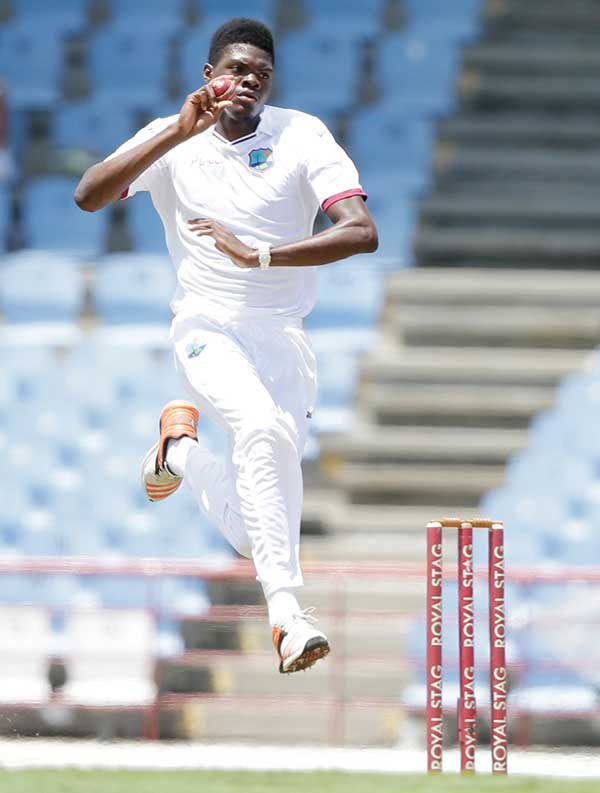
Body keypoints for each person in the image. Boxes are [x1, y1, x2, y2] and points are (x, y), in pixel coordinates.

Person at [75, 18, 378, 674]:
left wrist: (261, 255)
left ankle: (177, 450)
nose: (245, 83)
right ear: (208, 76)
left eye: (259, 75)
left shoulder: (302, 134)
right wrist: (174, 135)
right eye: (234, 71)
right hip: (206, 328)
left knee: (253, 530)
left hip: (284, 339)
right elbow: (88, 195)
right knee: (260, 426)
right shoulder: (173, 138)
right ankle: (287, 616)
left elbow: (361, 232)